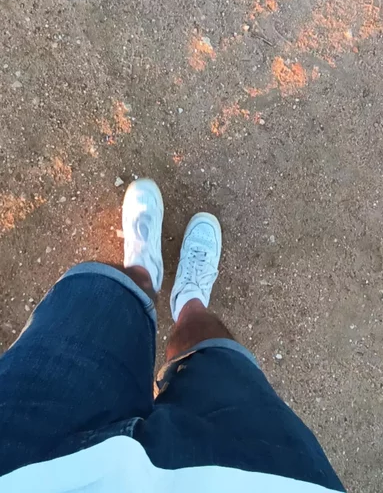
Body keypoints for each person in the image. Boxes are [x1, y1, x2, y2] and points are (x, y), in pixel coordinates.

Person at [0, 179, 345, 492]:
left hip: (24, 468)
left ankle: (143, 273)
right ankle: (189, 301)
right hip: (255, 477)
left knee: (98, 303)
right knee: (215, 358)